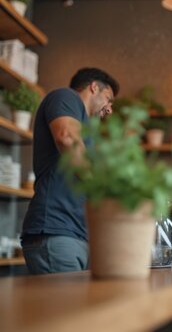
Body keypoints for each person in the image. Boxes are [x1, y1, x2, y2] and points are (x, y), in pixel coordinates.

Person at [21, 67, 119, 275]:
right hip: (58, 232)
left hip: (74, 235)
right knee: (67, 307)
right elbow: (66, 137)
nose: (109, 109)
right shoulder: (65, 96)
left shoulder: (87, 132)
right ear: (94, 87)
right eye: (108, 99)